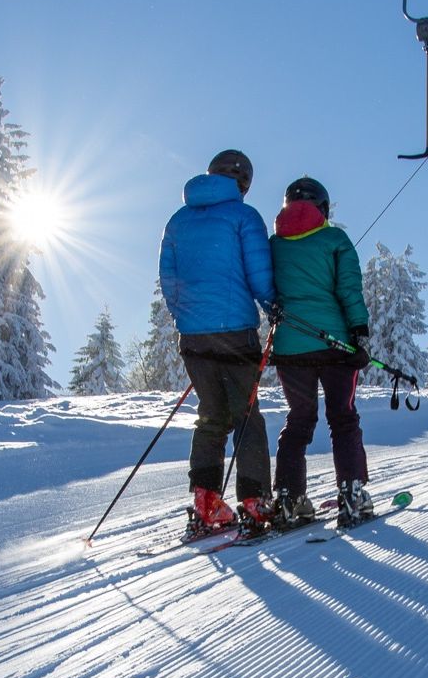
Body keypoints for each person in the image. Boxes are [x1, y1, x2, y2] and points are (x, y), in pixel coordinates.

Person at [159, 149, 276, 534]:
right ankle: (255, 500)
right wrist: (273, 306)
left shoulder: (178, 220)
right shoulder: (244, 216)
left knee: (210, 417)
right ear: (242, 181)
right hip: (236, 333)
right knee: (246, 416)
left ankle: (206, 501)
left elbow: (169, 280)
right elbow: (258, 274)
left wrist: (186, 318)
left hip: (193, 337)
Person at [268, 176, 374, 527]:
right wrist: (359, 334)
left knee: (299, 420)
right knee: (342, 418)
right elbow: (349, 290)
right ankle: (353, 494)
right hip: (336, 347)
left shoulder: (273, 245)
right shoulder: (335, 239)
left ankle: (287, 498)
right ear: (323, 208)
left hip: (290, 346)